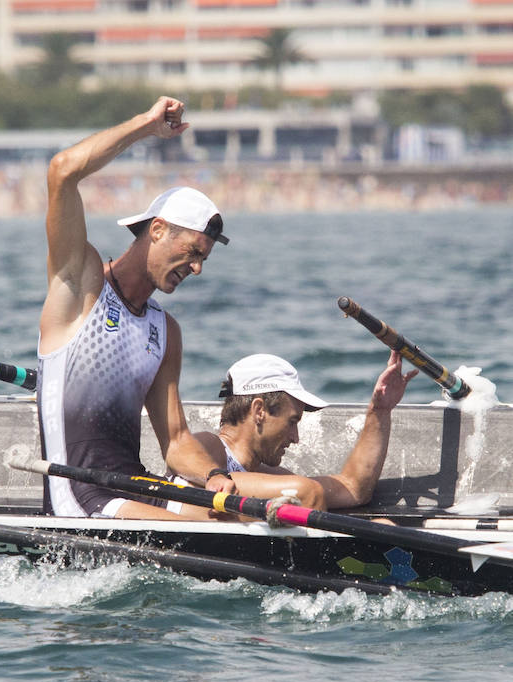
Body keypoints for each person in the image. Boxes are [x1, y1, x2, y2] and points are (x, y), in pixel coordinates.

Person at [40, 95, 237, 519]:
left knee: (233, 517)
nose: (198, 268)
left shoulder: (165, 332)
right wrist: (146, 126)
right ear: (159, 229)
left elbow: (179, 442)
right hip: (82, 495)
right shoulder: (82, 283)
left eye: (204, 258)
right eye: (192, 251)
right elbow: (62, 171)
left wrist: (216, 477)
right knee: (202, 534)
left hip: (135, 485)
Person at [192, 351, 417, 510]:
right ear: (259, 411)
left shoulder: (270, 475)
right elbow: (181, 456)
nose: (295, 438)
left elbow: (353, 489)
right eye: (291, 422)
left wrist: (380, 410)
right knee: (306, 491)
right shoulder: (208, 447)